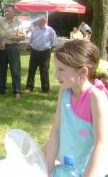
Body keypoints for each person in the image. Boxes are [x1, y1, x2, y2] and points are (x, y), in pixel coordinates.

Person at [44, 40, 108, 176]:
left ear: (83, 72)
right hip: (65, 169)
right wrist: (47, 169)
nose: (56, 75)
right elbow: (56, 130)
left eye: (61, 69)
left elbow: (101, 146)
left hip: (89, 171)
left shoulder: (96, 97)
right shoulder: (65, 91)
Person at [0, 4, 25, 98]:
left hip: (13, 47)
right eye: (5, 11)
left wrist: (10, 37)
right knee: (1, 69)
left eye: (8, 11)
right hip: (2, 47)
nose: (6, 13)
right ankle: (1, 89)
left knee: (15, 69)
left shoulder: (19, 22)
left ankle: (17, 91)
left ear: (13, 12)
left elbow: (22, 37)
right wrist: (0, 43)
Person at [25, 15, 56, 94]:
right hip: (34, 52)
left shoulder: (50, 30)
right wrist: (29, 46)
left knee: (44, 70)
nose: (40, 22)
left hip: (45, 53)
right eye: (39, 20)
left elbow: (53, 42)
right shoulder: (34, 29)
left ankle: (45, 89)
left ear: (45, 20)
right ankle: (29, 87)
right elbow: (30, 40)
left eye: (42, 20)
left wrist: (48, 49)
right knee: (31, 70)